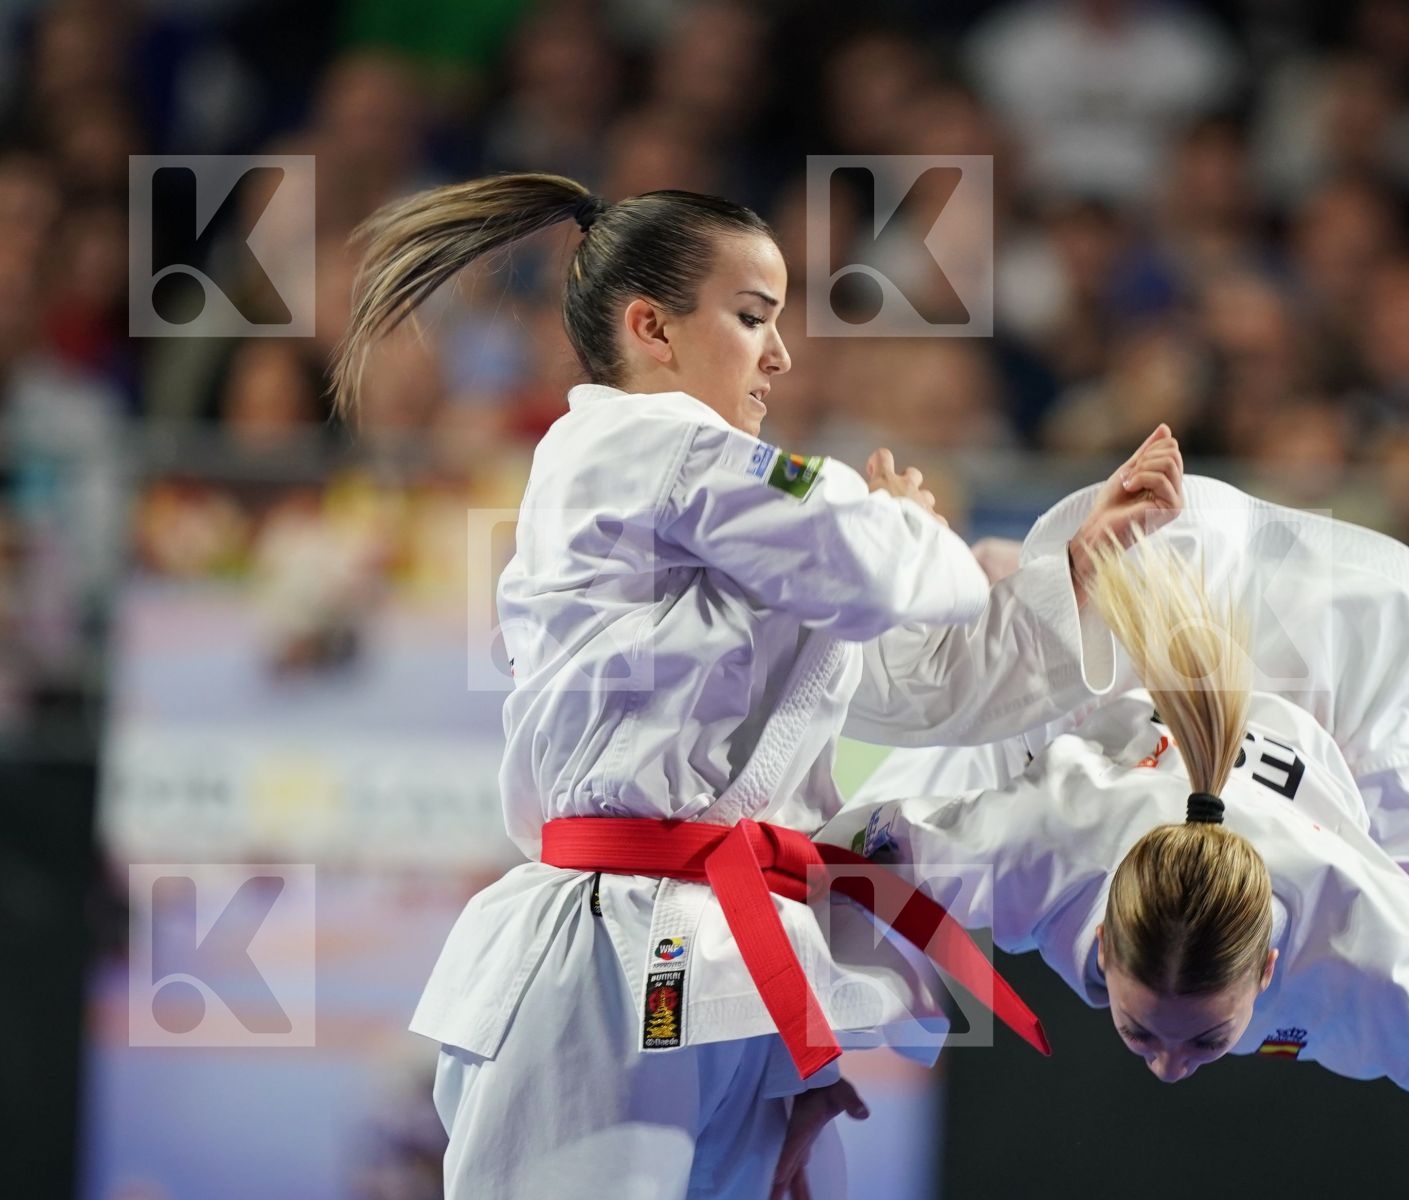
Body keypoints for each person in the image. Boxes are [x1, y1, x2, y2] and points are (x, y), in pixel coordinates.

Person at [826, 156, 1409, 1199]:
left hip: (1180, 601)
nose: (1168, 1063)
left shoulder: (1359, 935)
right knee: (938, 712)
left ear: (1270, 966)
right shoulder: (1062, 854)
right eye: (1153, 1028)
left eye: (1175, 1036)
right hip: (1206, 605)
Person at [329, 174, 1185, 1198]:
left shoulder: (733, 524)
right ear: (652, 327)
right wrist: (898, 518)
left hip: (720, 957)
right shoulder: (639, 446)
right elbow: (870, 564)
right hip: (612, 954)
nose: (779, 353)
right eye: (751, 318)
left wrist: (1078, 571)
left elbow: (917, 680)